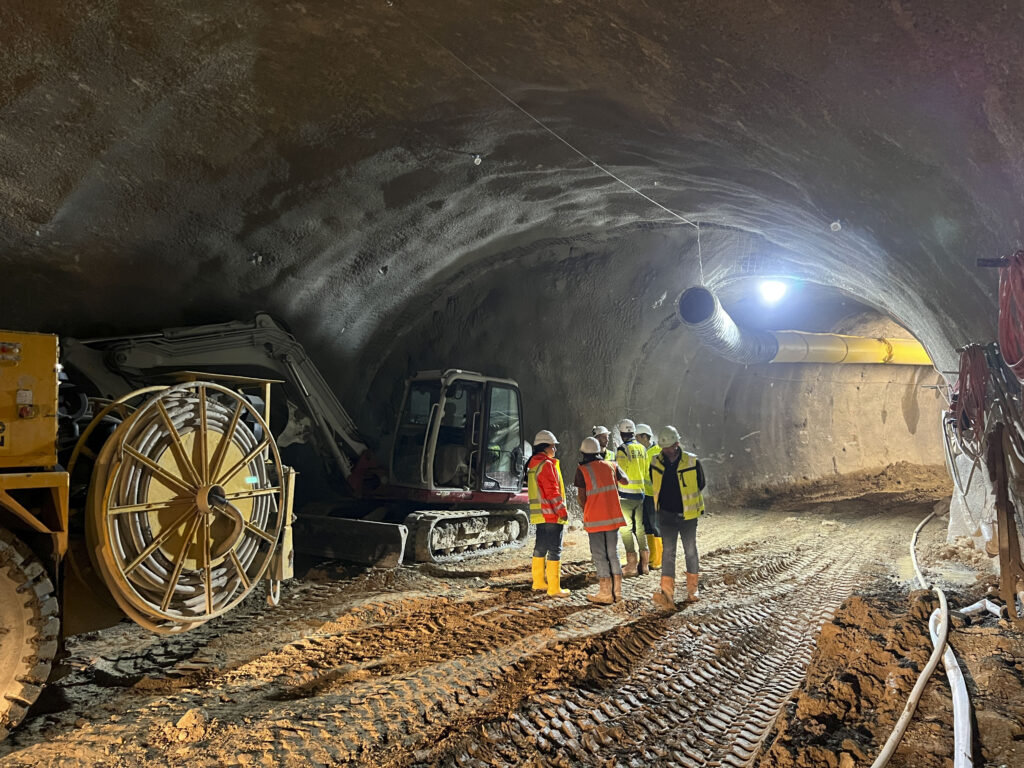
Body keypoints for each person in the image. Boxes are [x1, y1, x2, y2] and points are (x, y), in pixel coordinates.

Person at [649, 425, 706, 612]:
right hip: (666, 514)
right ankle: (667, 594)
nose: (666, 451)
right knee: (668, 553)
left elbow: (701, 483)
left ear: (677, 444)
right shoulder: (655, 462)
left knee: (690, 550)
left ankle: (692, 590)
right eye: (663, 448)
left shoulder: (691, 461)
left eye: (669, 447)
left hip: (688, 516)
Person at [575, 436, 629, 604]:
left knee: (599, 555)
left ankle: (605, 593)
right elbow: (625, 480)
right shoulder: (612, 465)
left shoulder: (582, 470)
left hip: (596, 519)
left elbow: (581, 498)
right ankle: (617, 592)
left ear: (583, 453)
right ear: (599, 451)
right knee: (613, 553)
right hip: (613, 517)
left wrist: (587, 511)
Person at [526, 429, 570, 597]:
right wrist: (562, 511)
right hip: (551, 514)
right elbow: (552, 491)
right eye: (553, 446)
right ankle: (554, 588)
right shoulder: (546, 465)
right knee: (555, 550)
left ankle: (538, 582)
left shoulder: (533, 465)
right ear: (545, 448)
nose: (555, 450)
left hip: (540, 515)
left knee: (540, 548)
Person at [615, 418, 650, 576]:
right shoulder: (642, 449)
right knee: (640, 528)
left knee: (626, 529)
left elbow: (619, 474)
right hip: (640, 494)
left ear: (622, 434)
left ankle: (631, 565)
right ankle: (645, 565)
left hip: (625, 495)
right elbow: (646, 470)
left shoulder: (622, 450)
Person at [635, 424, 663, 570]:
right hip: (643, 495)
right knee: (647, 526)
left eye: (637, 437)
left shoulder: (657, 452)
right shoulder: (640, 452)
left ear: (645, 437)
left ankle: (658, 559)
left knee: (656, 526)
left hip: (655, 496)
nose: (636, 440)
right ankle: (652, 557)